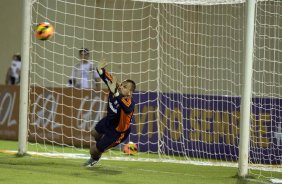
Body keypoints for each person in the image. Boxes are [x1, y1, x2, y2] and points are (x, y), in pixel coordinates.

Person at [83, 59, 136, 167]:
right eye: (121, 84)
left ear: (130, 93)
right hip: (108, 121)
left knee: (93, 150)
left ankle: (96, 156)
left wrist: (116, 93)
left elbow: (127, 109)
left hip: (118, 132)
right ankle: (102, 146)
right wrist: (99, 69)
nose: (121, 86)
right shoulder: (115, 88)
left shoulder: (129, 102)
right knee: (94, 133)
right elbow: (106, 77)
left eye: (125, 87)